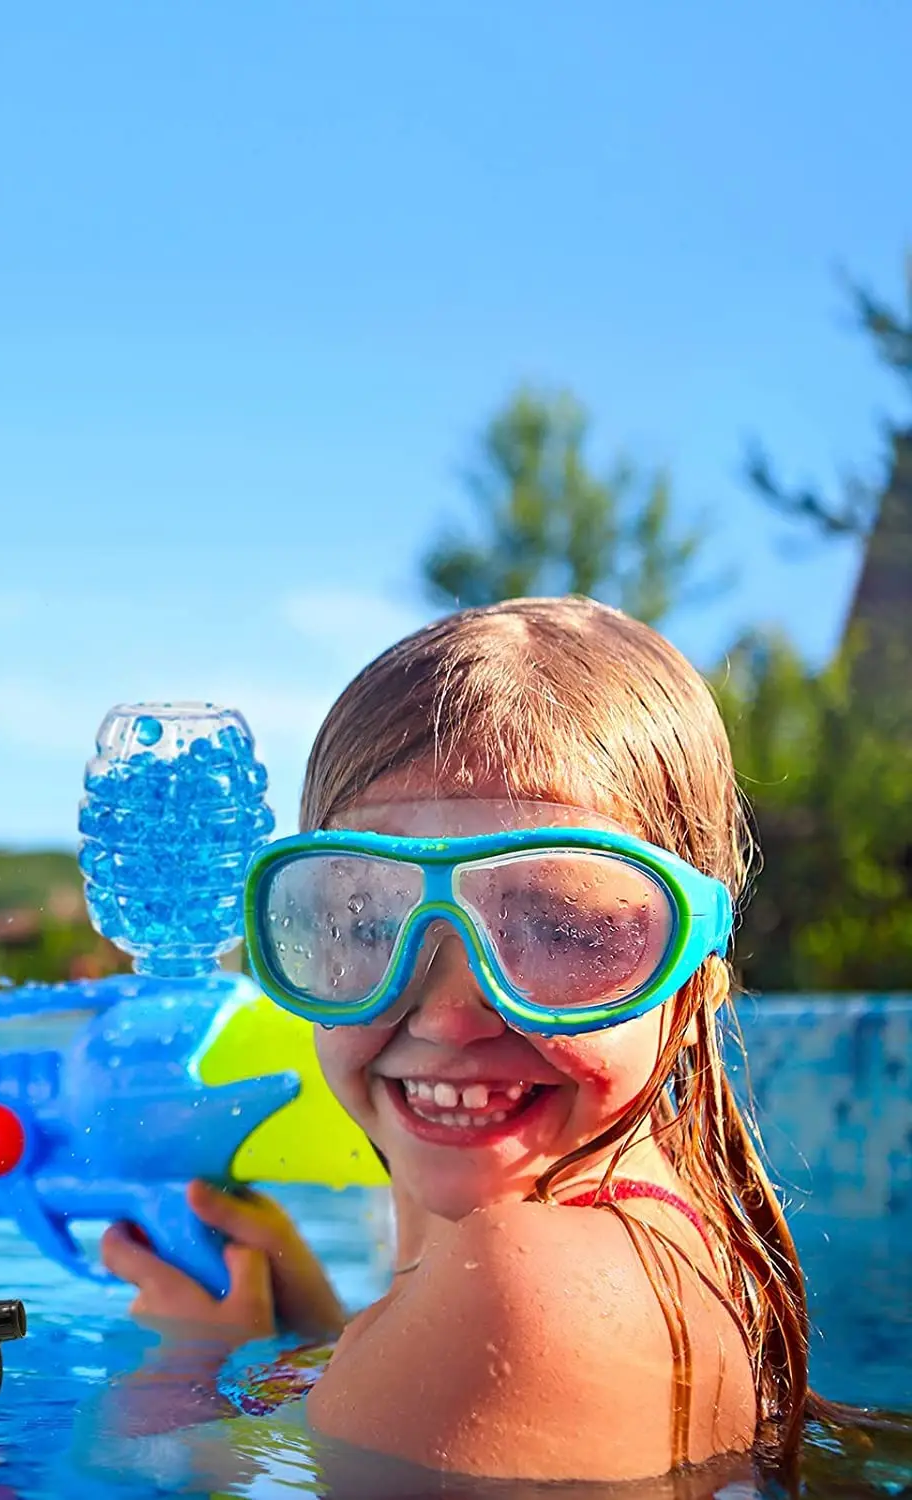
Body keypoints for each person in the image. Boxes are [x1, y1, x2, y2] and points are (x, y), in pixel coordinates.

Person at [99, 596, 825, 1487]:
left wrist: (190, 1363)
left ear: (693, 973)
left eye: (560, 930)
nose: (447, 1013)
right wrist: (311, 1337)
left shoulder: (526, 1292)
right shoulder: (644, 1246)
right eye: (368, 924)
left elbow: (157, 1474)